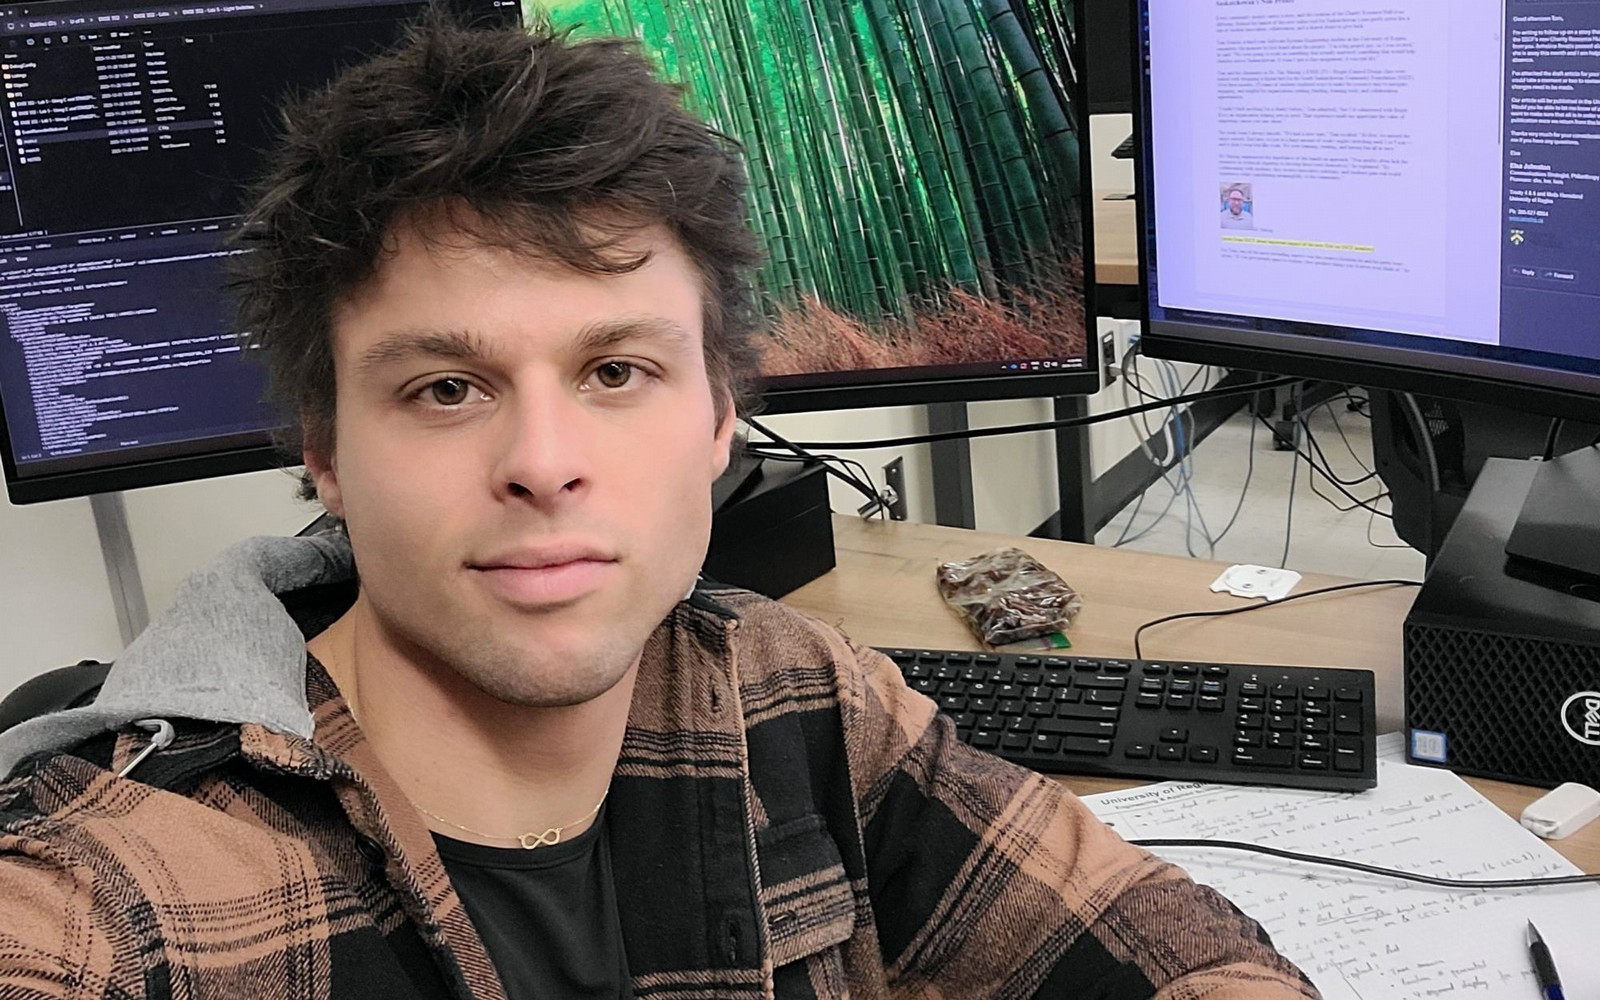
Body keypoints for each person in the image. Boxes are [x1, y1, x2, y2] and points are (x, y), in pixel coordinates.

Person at [0, 15, 1319, 1000]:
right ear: (326, 452)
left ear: (718, 418)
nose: (545, 460)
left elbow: (1170, 948)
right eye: (449, 386)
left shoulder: (798, 699)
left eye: (617, 370)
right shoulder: (119, 894)